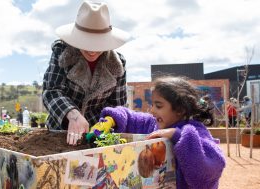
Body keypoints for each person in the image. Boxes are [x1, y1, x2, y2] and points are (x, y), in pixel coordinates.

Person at [93, 76, 226, 188]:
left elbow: (208, 171)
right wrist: (112, 119)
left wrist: (177, 135)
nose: (152, 110)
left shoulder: (197, 132)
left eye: (159, 106)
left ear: (180, 109)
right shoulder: (153, 124)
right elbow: (130, 117)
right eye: (152, 105)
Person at [42, 1, 130, 145]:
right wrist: (72, 114)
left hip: (96, 136)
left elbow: (118, 107)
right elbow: (52, 91)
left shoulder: (118, 64)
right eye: (86, 43)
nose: (91, 51)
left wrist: (105, 124)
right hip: (60, 131)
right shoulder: (62, 52)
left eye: (98, 44)